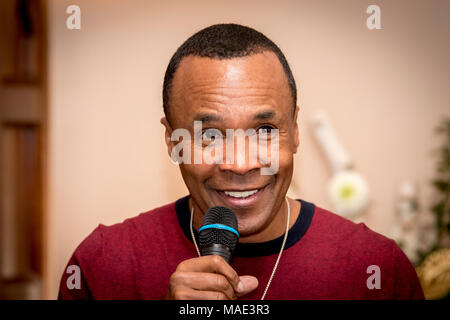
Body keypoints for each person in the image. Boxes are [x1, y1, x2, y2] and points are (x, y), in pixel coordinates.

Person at [58, 23, 424, 300]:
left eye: (265, 129)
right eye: (210, 136)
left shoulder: (376, 270)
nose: (240, 163)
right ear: (172, 141)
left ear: (295, 131)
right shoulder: (103, 265)